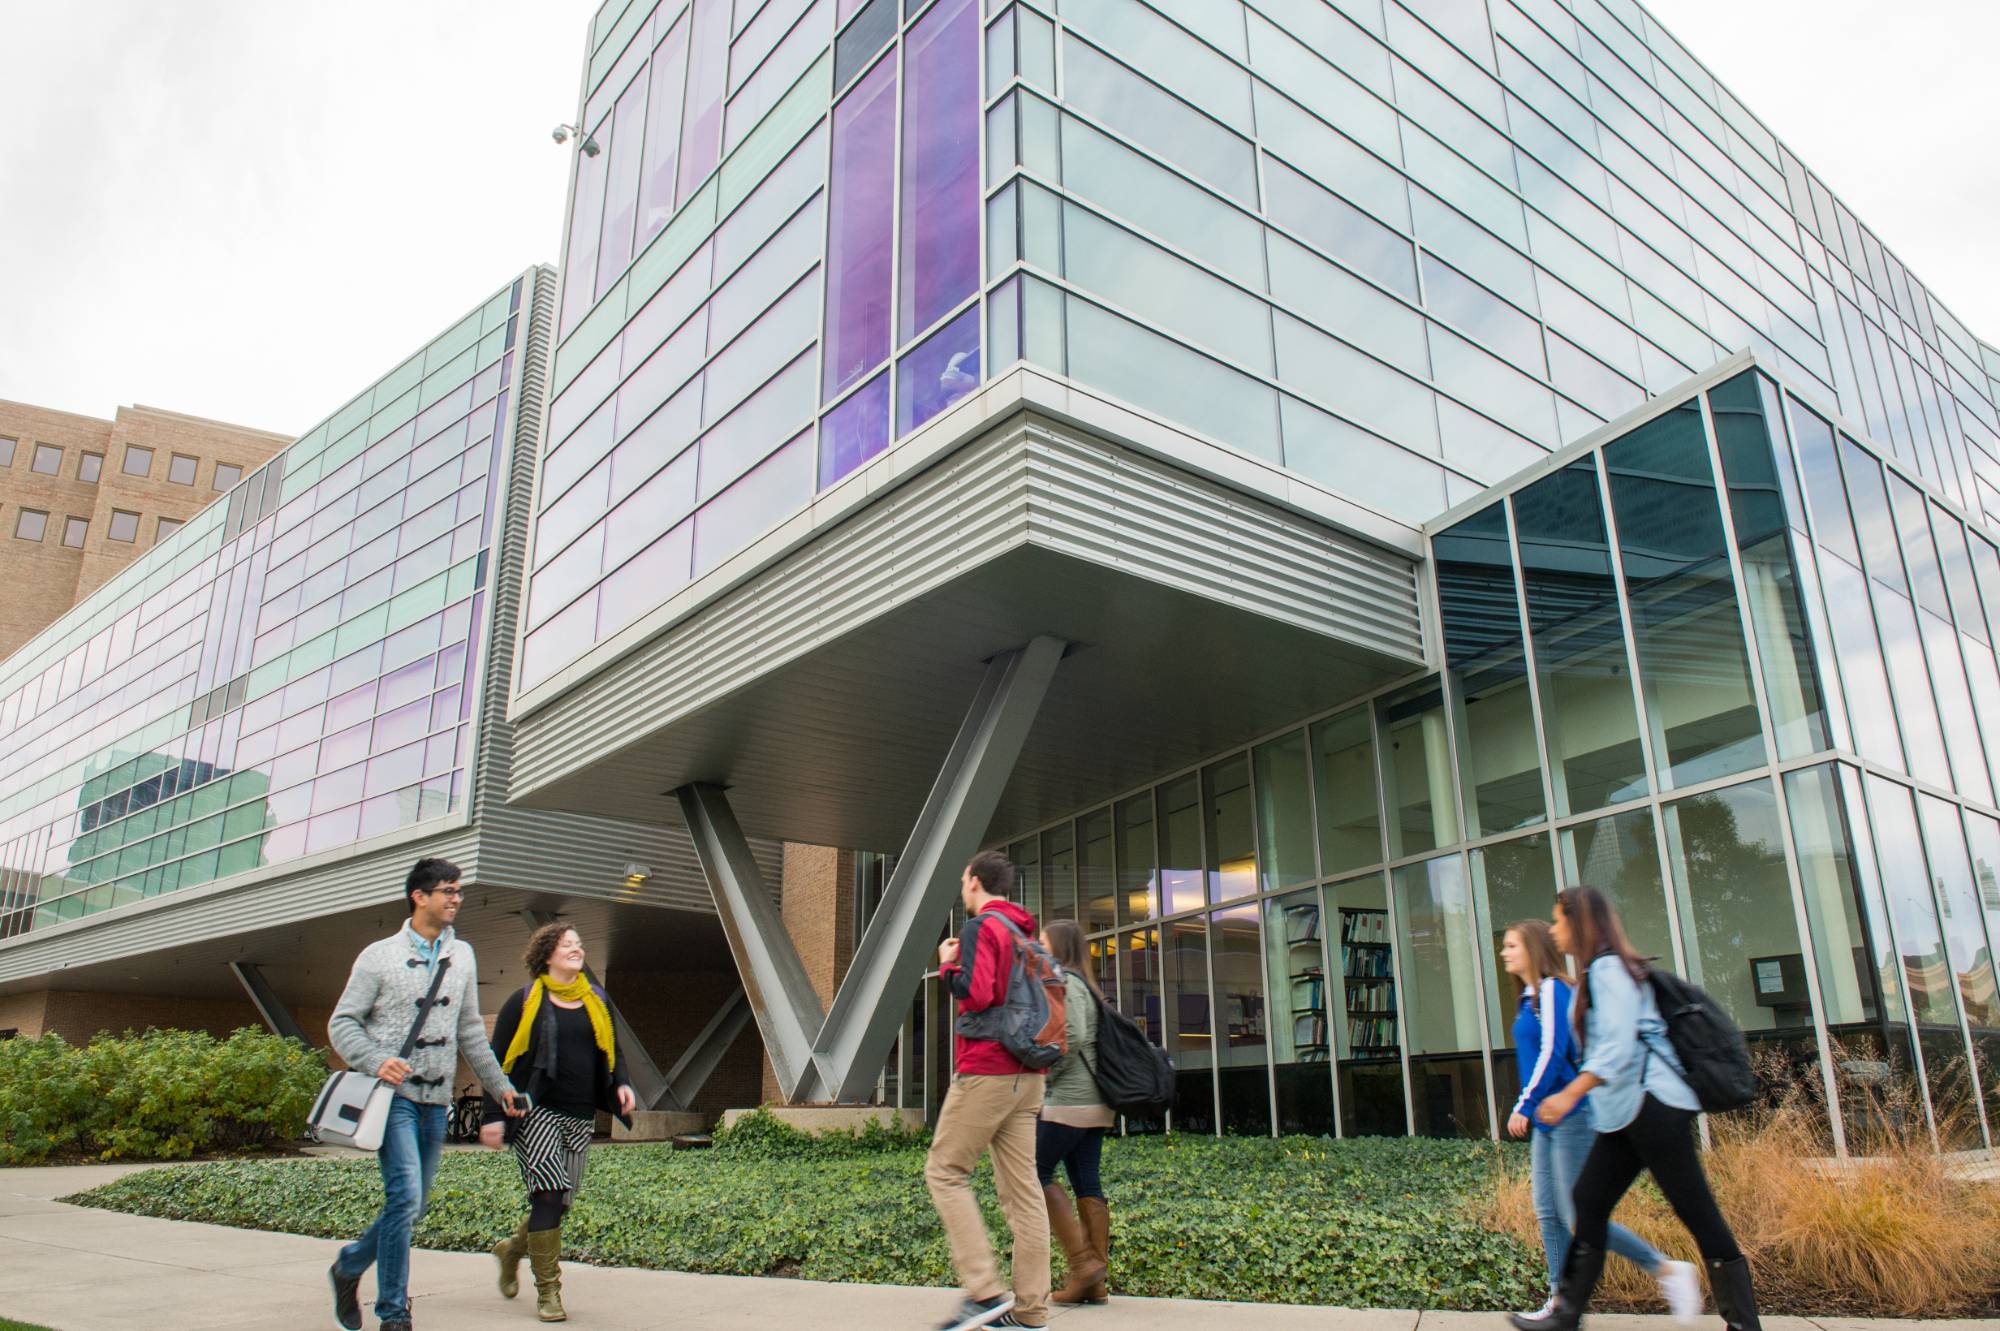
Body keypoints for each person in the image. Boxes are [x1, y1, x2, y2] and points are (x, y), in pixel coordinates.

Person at [1511, 887, 1762, 1331]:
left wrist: (1570, 1093)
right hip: (1624, 1112)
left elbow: (1617, 1044)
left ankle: (1743, 1325)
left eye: (1559, 920)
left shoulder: (1610, 970)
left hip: (1655, 1107)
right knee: (1587, 1202)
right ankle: (1566, 1316)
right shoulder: (1598, 972)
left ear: (1579, 924)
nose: (1553, 930)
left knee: (1697, 1211)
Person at [328, 857, 523, 1331]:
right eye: (448, 891)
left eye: (459, 891)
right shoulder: (379, 956)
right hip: (392, 1097)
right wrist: (376, 1059)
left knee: (411, 1206)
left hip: (436, 1103)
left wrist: (502, 1087)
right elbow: (342, 1023)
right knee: (404, 1197)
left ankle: (349, 1265)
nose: (457, 899)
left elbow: (470, 1031)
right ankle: (394, 1313)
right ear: (419, 896)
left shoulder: (463, 956)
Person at [1499, 919, 1698, 1323]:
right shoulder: (1528, 998)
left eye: (1512, 945)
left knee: (1578, 1217)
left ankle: (1666, 1269)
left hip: (1572, 1116)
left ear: (1533, 949)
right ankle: (1560, 1303)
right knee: (1549, 1213)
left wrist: (1524, 1104)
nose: (1505, 953)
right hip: (1549, 1118)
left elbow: (1554, 1053)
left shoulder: (1554, 990)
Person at [481, 923, 637, 1323]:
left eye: (579, 944)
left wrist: (621, 1084)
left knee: (560, 1202)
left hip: (580, 1114)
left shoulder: (596, 1001)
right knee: (549, 1192)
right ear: (546, 953)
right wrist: (492, 1116)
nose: (576, 949)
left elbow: (612, 1051)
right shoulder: (524, 1001)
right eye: (567, 944)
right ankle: (549, 1291)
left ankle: (513, 1249)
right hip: (535, 1111)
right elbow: (495, 1061)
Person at [925, 851, 1050, 1330]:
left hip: (988, 1070)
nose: (963, 888)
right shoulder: (1025, 935)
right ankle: (1030, 1312)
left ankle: (984, 1293)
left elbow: (977, 994)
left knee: (944, 1171)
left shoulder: (982, 928)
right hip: (1029, 1075)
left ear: (975, 882)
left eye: (963, 880)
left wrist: (947, 966)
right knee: (1024, 1194)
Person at [1036, 919, 1111, 1306]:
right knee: (1087, 1184)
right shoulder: (1088, 986)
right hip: (1095, 1104)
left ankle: (1083, 1264)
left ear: (1059, 947)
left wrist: (1047, 1074)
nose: (1039, 948)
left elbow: (1073, 1036)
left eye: (1043, 942)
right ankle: (1094, 1284)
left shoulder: (1067, 982)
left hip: (1069, 1102)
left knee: (1035, 1172)